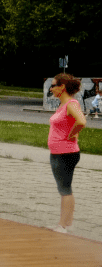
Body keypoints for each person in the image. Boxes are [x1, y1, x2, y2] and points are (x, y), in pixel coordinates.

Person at [47, 73, 86, 233]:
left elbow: (81, 121)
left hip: (65, 153)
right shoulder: (63, 105)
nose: (51, 88)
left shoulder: (71, 104)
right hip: (59, 152)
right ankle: (67, 223)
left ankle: (62, 226)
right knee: (64, 187)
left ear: (62, 87)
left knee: (65, 189)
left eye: (53, 85)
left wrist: (71, 134)